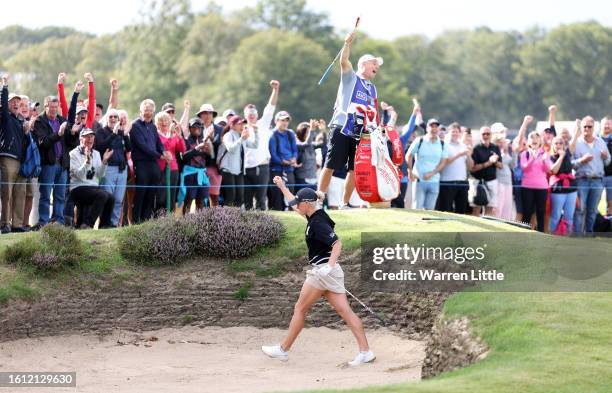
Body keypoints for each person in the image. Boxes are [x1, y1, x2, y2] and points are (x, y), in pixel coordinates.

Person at [262, 177, 375, 366]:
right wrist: (282, 187)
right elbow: (292, 203)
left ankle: (282, 350)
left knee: (300, 308)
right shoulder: (314, 215)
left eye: (300, 203)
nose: (297, 206)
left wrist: (328, 267)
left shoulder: (318, 223)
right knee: (344, 311)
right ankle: (366, 351)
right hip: (328, 273)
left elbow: (337, 244)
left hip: (323, 272)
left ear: (307, 204)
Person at [318, 28, 383, 209]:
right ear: (363, 65)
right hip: (341, 127)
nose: (376, 66)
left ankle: (344, 204)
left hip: (360, 134)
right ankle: (317, 200)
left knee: (354, 169)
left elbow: (373, 113)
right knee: (330, 165)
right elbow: (343, 61)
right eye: (373, 63)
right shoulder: (351, 77)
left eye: (377, 65)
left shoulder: (372, 88)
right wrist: (347, 43)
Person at [33, 82, 81, 228]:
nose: (54, 110)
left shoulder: (62, 120)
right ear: (46, 107)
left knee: (60, 196)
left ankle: (58, 222)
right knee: (46, 196)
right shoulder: (39, 121)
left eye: (56, 107)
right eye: (51, 107)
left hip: (62, 164)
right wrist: (58, 134)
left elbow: (71, 143)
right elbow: (43, 142)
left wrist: (73, 133)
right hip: (49, 164)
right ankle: (43, 223)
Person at [130, 99, 171, 223]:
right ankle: (136, 221)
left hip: (153, 164)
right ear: (140, 111)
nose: (148, 112)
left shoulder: (153, 126)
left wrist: (164, 152)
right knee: (141, 193)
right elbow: (143, 146)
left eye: (150, 110)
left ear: (153, 112)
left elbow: (158, 143)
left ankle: (146, 220)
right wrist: (160, 156)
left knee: (151, 193)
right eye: (146, 110)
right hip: (142, 163)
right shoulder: (135, 126)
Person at [0, 75, 30, 233]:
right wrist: (5, 88)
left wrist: (26, 131)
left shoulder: (20, 121)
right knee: (7, 193)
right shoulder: (4, 116)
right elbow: (3, 106)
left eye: (18, 102)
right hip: (8, 159)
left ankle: (17, 225)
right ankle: (5, 223)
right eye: (13, 101)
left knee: (20, 193)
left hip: (21, 161)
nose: (16, 104)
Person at [243, 80, 280, 210]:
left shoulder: (262, 124)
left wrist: (275, 90)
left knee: (260, 201)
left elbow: (270, 107)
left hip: (261, 167)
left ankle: (262, 229)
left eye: (254, 113)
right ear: (245, 115)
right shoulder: (242, 128)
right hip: (245, 169)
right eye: (249, 113)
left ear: (257, 114)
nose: (252, 115)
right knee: (246, 202)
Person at [69, 128, 114, 229]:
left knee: (111, 198)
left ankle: (105, 226)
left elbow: (100, 174)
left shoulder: (96, 154)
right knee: (102, 195)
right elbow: (79, 175)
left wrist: (104, 162)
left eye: (92, 137)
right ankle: (88, 224)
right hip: (78, 188)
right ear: (81, 139)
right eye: (87, 137)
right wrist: (87, 161)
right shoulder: (73, 154)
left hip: (92, 187)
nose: (90, 139)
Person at [572, 116, 611, 233]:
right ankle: (578, 235)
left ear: (594, 128)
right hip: (581, 180)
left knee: (592, 210)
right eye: (585, 126)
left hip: (597, 181)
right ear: (581, 127)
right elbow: (570, 164)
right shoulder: (576, 143)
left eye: (590, 126)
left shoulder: (601, 142)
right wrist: (581, 161)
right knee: (580, 209)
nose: (587, 129)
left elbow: (608, 161)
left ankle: (589, 234)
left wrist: (605, 157)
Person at [95, 108, 131, 227]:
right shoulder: (101, 131)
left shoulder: (121, 132)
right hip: (108, 168)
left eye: (116, 117)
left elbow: (129, 148)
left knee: (118, 200)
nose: (113, 119)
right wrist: (114, 134)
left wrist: (124, 135)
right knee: (107, 198)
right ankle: (105, 223)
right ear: (107, 118)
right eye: (111, 116)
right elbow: (100, 146)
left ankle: (114, 224)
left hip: (121, 169)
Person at [406, 118, 448, 210]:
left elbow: (443, 161)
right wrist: (409, 171)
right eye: (431, 126)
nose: (434, 129)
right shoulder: (419, 141)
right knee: (417, 208)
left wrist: (432, 173)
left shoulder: (442, 144)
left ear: (438, 129)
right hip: (419, 181)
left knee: (430, 210)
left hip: (434, 181)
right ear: (427, 128)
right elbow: (409, 155)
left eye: (436, 127)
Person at [217, 115, 259, 207]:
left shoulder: (240, 136)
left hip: (238, 171)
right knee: (230, 197)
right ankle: (225, 219)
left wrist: (256, 132)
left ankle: (237, 220)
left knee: (240, 198)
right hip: (227, 170)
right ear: (232, 125)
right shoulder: (228, 135)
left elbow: (255, 145)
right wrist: (241, 139)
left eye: (242, 124)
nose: (242, 126)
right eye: (239, 124)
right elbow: (231, 149)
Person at [549, 124, 580, 234]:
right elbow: (554, 171)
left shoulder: (568, 153)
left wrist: (578, 127)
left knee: (569, 216)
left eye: (560, 143)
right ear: (552, 145)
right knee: (555, 215)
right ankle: (550, 236)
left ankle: (567, 237)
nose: (558, 145)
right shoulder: (550, 157)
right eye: (556, 143)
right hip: (558, 189)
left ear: (564, 145)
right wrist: (561, 157)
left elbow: (575, 140)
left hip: (571, 189)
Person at [520, 131, 551, 232]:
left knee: (541, 212)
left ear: (540, 141)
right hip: (527, 187)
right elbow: (524, 168)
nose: (534, 140)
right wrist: (532, 158)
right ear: (529, 142)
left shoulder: (545, 154)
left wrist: (544, 161)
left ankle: (540, 234)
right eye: (532, 137)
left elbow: (548, 170)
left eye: (537, 138)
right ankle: (524, 234)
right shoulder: (525, 154)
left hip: (542, 187)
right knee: (527, 212)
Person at [438, 122, 472, 214]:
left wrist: (468, 156)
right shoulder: (444, 145)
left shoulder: (464, 146)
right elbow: (444, 163)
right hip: (447, 181)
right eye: (453, 132)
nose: (455, 134)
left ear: (460, 133)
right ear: (448, 133)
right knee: (446, 210)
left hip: (462, 182)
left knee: (461, 211)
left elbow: (470, 166)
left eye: (457, 132)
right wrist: (459, 154)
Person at [180, 117, 213, 213]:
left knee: (201, 201)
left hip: (202, 175)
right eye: (194, 127)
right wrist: (197, 148)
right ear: (189, 128)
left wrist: (210, 152)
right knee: (188, 200)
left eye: (199, 127)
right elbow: (183, 157)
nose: (196, 129)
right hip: (190, 175)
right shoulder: (186, 140)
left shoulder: (205, 141)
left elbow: (210, 161)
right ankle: (186, 225)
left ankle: (199, 225)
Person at [155, 111, 185, 212]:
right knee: (161, 197)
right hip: (160, 168)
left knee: (171, 196)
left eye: (166, 121)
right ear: (157, 123)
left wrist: (179, 136)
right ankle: (159, 218)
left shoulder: (173, 135)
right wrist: (169, 135)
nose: (164, 123)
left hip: (173, 168)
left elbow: (182, 149)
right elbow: (164, 148)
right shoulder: (156, 135)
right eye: (161, 121)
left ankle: (170, 220)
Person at [469, 126, 503, 216]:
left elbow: (501, 166)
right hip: (478, 182)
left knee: (490, 209)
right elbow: (473, 168)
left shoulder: (495, 147)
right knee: (476, 208)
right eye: (483, 134)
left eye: (488, 134)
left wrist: (495, 161)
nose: (486, 136)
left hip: (492, 181)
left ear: (491, 135)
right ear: (480, 135)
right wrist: (488, 162)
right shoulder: (476, 148)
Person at [269, 111, 299, 210]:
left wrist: (294, 158)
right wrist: (282, 161)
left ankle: (292, 211)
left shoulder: (290, 134)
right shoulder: (272, 135)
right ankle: (278, 211)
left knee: (291, 190)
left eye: (287, 120)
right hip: (277, 169)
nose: (285, 123)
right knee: (277, 194)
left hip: (289, 168)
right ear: (276, 121)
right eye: (282, 120)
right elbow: (273, 154)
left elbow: (295, 150)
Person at [196, 104, 223, 207]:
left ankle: (214, 220)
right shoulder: (196, 128)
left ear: (212, 115)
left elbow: (221, 145)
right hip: (200, 167)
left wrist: (211, 140)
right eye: (204, 113)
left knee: (214, 196)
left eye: (209, 113)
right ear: (200, 115)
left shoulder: (220, 129)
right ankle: (199, 221)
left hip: (215, 167)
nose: (207, 115)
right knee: (200, 197)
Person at [295, 120, 324, 192]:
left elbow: (323, 144)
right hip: (302, 180)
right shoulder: (297, 145)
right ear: (301, 133)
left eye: (310, 132)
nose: (310, 134)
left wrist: (323, 131)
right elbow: (306, 144)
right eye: (307, 132)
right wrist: (312, 130)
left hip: (314, 180)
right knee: (302, 202)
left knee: (313, 202)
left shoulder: (312, 145)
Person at [492, 133, 514, 220]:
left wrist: (514, 152)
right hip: (498, 182)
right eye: (499, 142)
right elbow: (501, 163)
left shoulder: (506, 153)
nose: (501, 144)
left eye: (503, 142)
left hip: (508, 183)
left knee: (507, 207)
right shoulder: (494, 153)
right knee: (498, 207)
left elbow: (513, 165)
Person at [600, 117, 612, 215]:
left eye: (609, 124)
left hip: (611, 176)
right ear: (601, 125)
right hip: (598, 177)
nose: (607, 126)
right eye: (605, 124)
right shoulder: (595, 139)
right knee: (594, 203)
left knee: (611, 203)